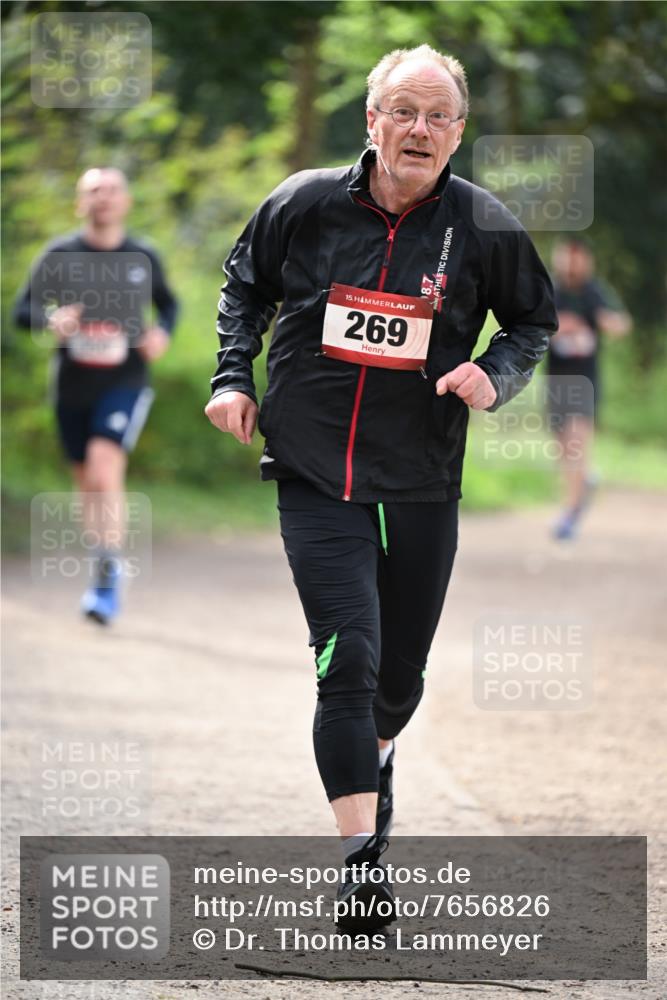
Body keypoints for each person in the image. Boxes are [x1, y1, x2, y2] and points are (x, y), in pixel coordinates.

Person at [205, 44, 557, 931]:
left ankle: (378, 750)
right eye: (403, 110)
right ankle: (360, 865)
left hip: (420, 474)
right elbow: (243, 285)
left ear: (458, 133)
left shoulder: (483, 225)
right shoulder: (304, 202)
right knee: (348, 659)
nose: (419, 129)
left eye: (438, 116)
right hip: (314, 461)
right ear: (371, 120)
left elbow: (532, 321)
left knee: (399, 676)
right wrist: (230, 378)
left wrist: (493, 374)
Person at [14, 167, 178, 624]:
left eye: (110, 191)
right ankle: (102, 561)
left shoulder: (142, 255)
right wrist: (51, 320)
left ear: (125, 201)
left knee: (106, 466)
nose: (102, 198)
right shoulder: (59, 254)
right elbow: (22, 310)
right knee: (87, 480)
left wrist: (161, 333)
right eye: (92, 192)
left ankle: (106, 580)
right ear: (79, 202)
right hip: (71, 383)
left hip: (125, 379)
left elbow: (169, 304)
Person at [547, 237, 632, 540]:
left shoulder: (594, 292)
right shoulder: (551, 290)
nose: (571, 262)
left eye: (576, 256)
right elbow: (531, 325)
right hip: (557, 381)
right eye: (565, 256)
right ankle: (585, 481)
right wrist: (560, 326)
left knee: (577, 445)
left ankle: (570, 515)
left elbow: (622, 324)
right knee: (563, 448)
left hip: (585, 382)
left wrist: (605, 321)